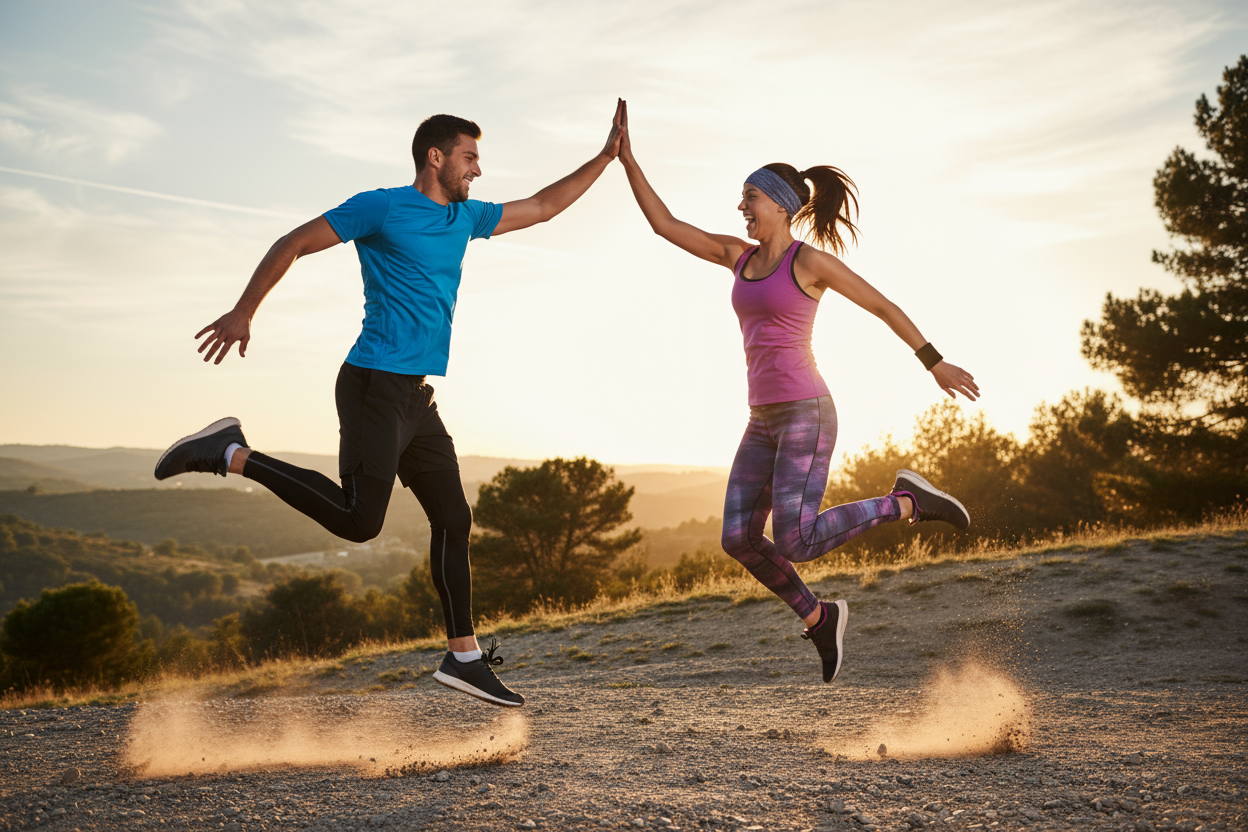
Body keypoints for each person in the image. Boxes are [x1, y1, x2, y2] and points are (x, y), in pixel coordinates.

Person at [154, 101, 626, 708]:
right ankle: (227, 451)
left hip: (416, 397)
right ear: (436, 157)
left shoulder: (464, 217)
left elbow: (542, 206)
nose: (477, 170)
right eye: (470, 157)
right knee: (359, 521)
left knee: (454, 520)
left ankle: (464, 658)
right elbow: (294, 241)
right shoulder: (381, 207)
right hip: (373, 384)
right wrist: (245, 310)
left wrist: (606, 157)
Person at [616, 103, 979, 685]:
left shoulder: (808, 262)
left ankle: (906, 502)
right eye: (742, 199)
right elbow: (666, 225)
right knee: (737, 537)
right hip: (762, 418)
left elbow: (883, 306)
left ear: (781, 206)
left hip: (808, 411)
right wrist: (627, 159)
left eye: (750, 199)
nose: (741, 208)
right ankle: (819, 616)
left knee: (797, 538)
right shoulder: (736, 256)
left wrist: (933, 362)